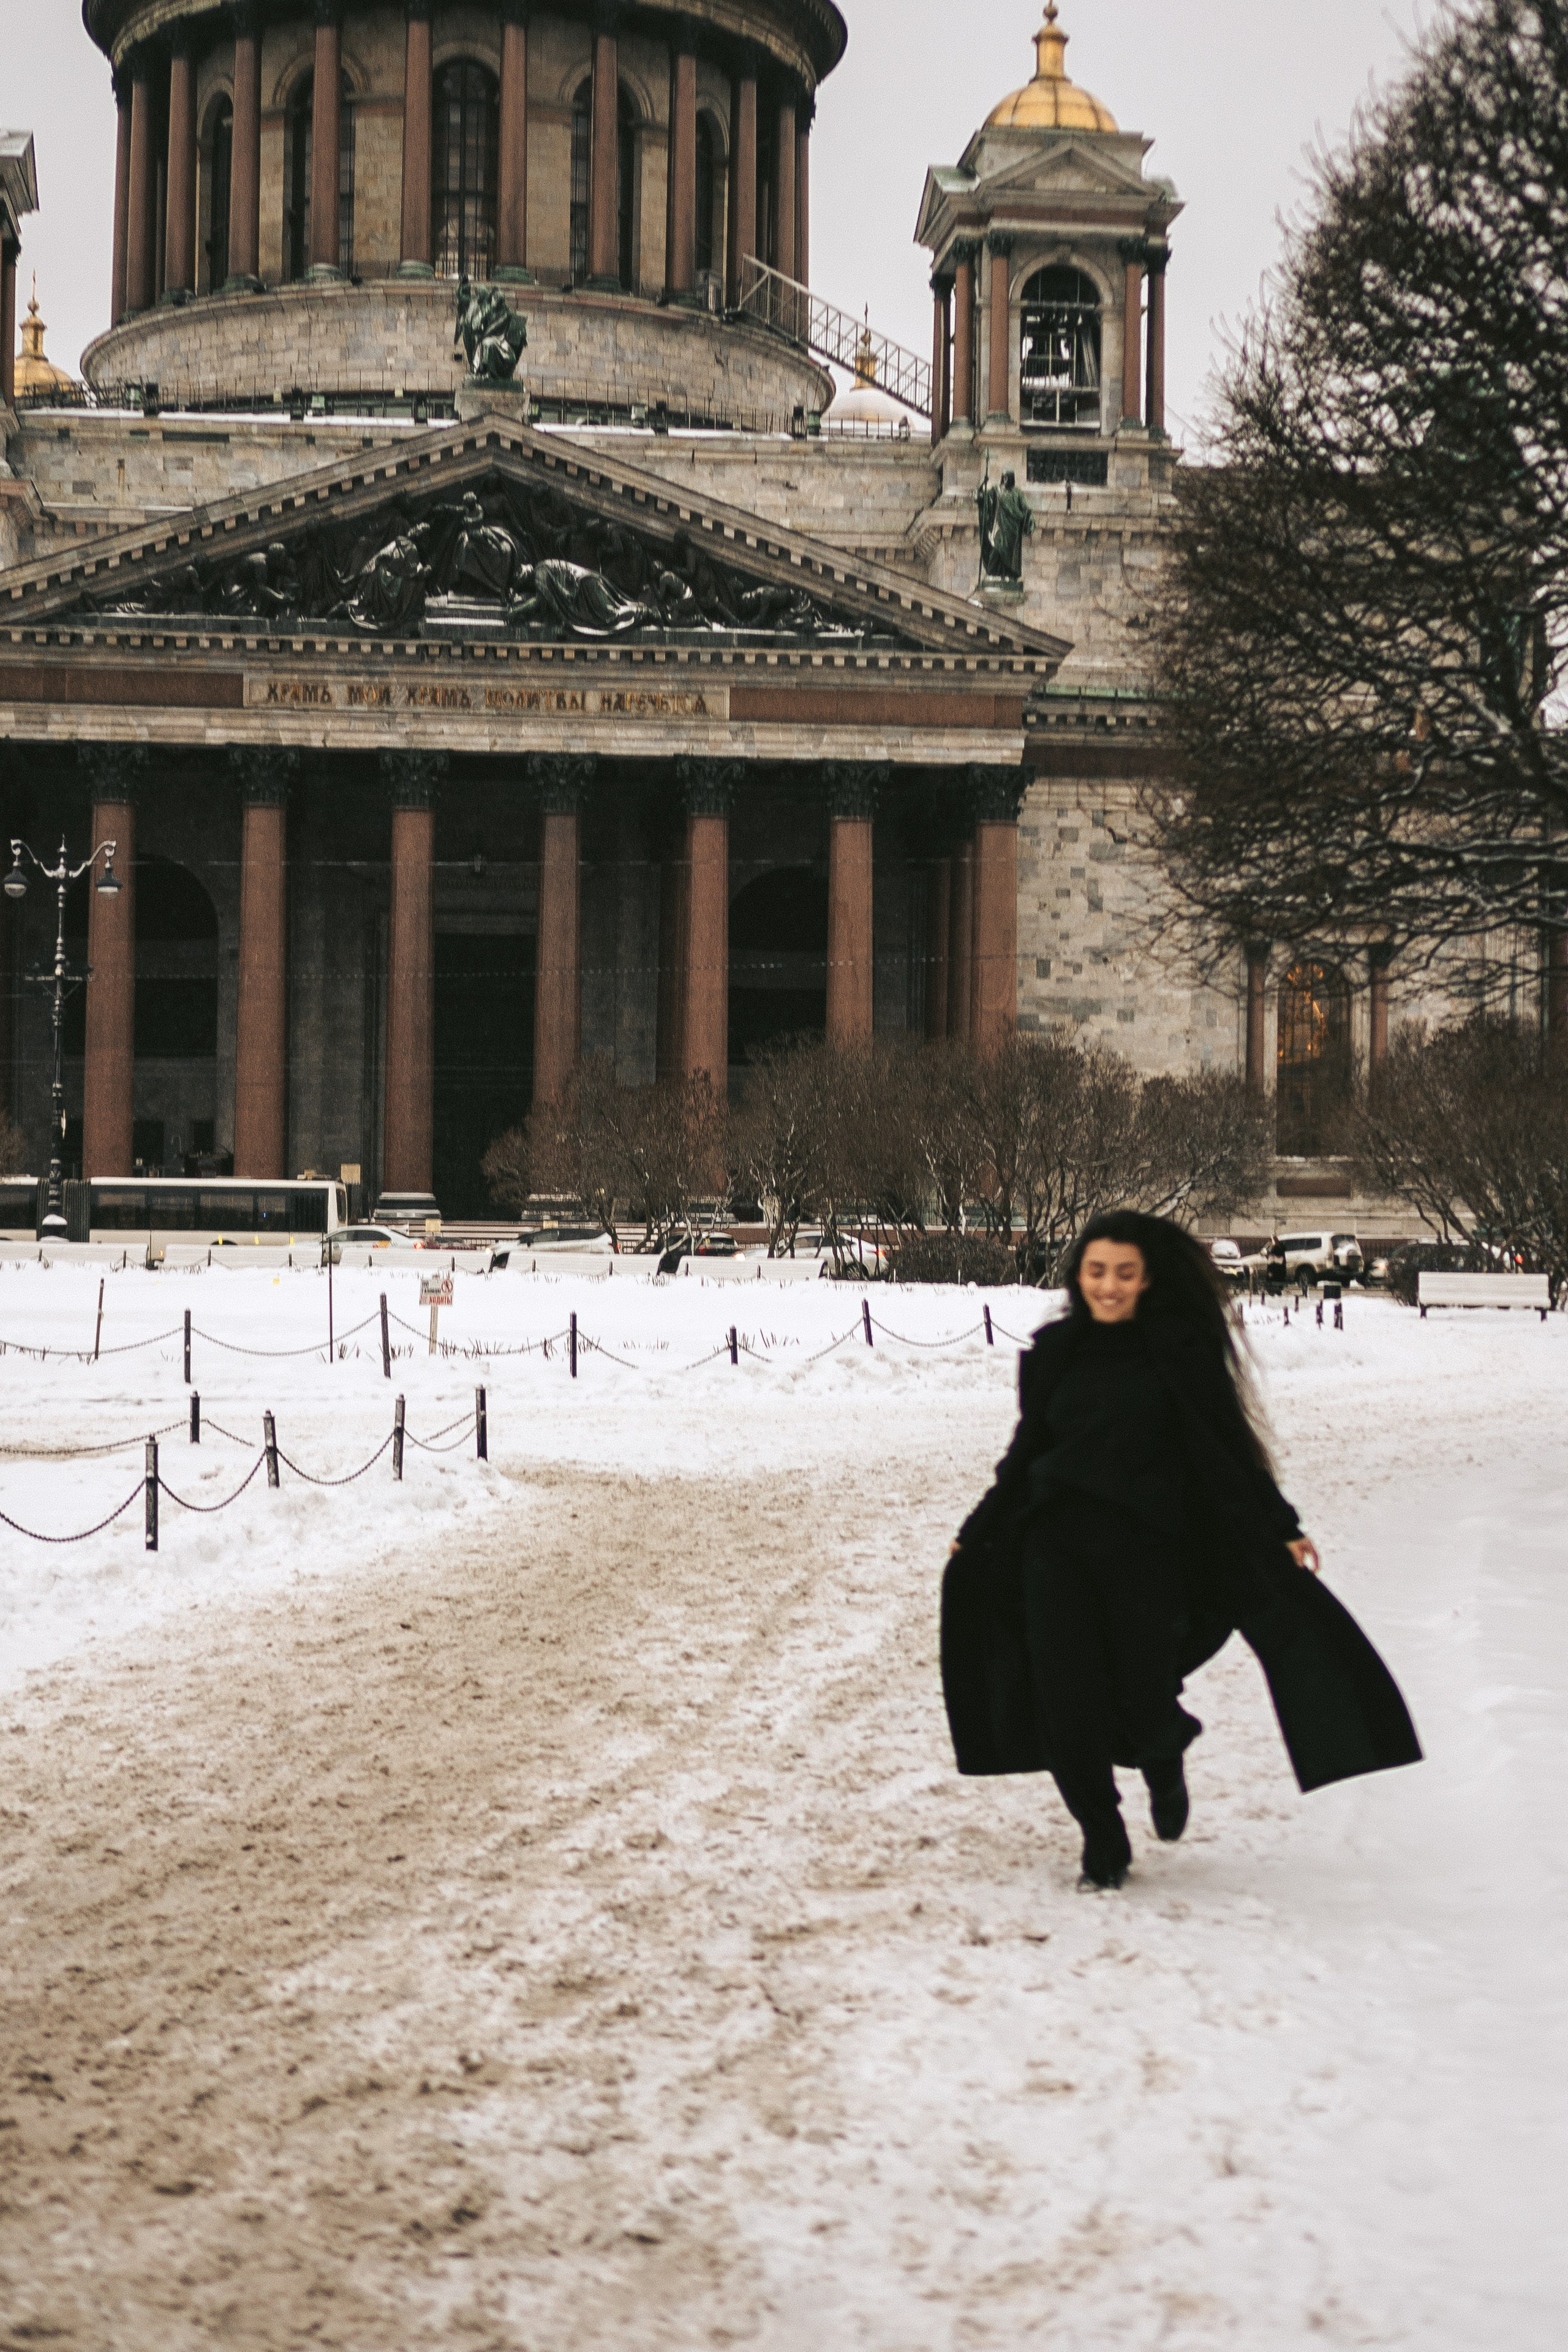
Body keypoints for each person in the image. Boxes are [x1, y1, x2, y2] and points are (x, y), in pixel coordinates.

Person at [941, 1210, 1421, 1890]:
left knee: (1143, 1701)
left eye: (1124, 1273)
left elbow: (1224, 1445)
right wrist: (980, 1523)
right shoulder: (1054, 1351)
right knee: (1065, 1702)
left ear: (1146, 1280)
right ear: (1079, 1275)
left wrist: (1280, 1525)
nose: (1108, 1286)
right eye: (1096, 1271)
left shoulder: (1175, 1350)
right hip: (1054, 1547)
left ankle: (1164, 1759)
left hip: (1147, 1552)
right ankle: (1102, 1840)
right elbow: (1026, 1451)